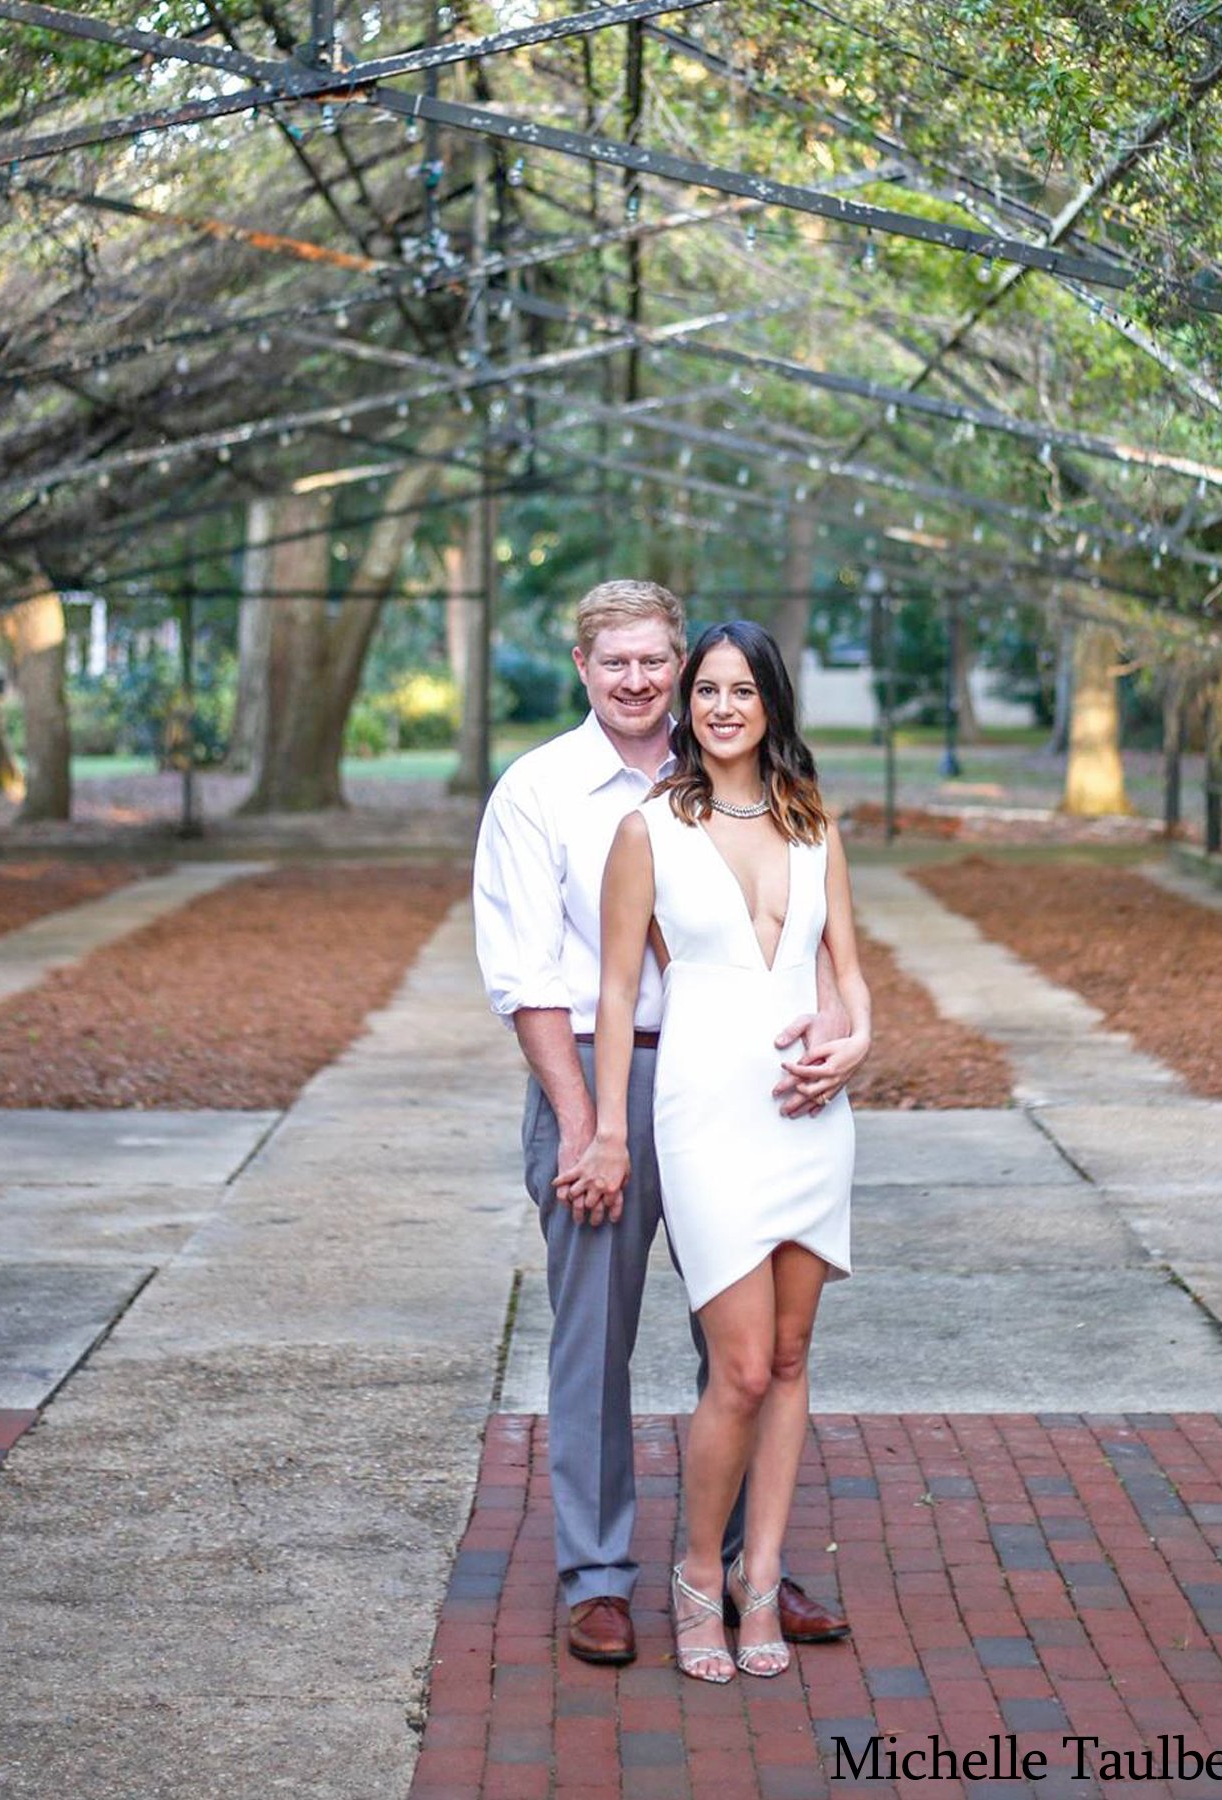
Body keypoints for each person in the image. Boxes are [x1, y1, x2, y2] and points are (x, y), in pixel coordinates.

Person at [472, 581, 866, 1667]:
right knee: (594, 1336)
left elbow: (820, 947)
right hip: (606, 1085)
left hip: (744, 1086)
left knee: (742, 1352)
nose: (640, 681)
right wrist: (587, 1121)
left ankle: (751, 1566)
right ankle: (599, 1579)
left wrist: (840, 1035)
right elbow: (530, 982)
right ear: (583, 668)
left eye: (658, 661)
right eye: (617, 664)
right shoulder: (540, 792)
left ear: (686, 666)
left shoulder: (744, 782)